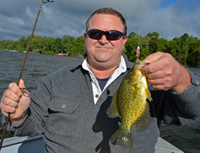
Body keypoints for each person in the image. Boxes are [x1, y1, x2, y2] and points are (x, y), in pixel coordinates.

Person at [1, 7, 200, 153]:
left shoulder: (154, 79)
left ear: (124, 40)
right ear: (85, 38)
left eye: (113, 34)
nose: (103, 39)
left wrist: (181, 79)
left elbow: (194, 111)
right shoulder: (53, 82)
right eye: (95, 33)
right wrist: (18, 116)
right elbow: (27, 128)